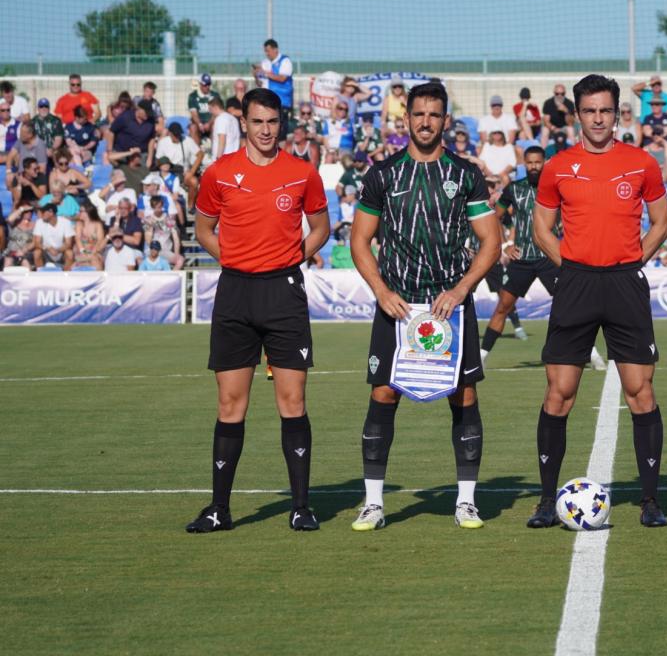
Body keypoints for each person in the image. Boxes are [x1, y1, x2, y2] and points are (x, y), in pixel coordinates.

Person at [348, 81, 501, 532]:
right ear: (406, 118)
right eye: (419, 114)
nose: (426, 122)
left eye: (434, 115)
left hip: (449, 308)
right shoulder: (383, 174)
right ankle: (373, 504)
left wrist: (461, 289)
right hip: (397, 306)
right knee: (383, 393)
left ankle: (466, 502)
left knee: (464, 395)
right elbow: (360, 240)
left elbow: (491, 242)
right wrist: (381, 291)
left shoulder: (466, 174)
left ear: (445, 121)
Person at [527, 73, 667, 529]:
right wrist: (571, 266)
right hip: (577, 285)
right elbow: (541, 228)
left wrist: (632, 262)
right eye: (589, 111)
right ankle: (546, 500)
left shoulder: (641, 163)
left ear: (617, 114)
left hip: (625, 284)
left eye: (605, 111)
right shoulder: (557, 166)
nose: (597, 119)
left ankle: (651, 501)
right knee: (559, 394)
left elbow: (663, 221)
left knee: (641, 392)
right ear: (577, 115)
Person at [185, 88, 330, 534]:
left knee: (292, 401)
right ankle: (219, 509)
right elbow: (204, 228)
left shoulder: (302, 172)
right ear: (243, 123)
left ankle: (301, 507)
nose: (265, 130)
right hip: (235, 294)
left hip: (283, 295)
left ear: (280, 123)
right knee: (230, 404)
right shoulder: (219, 172)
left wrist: (290, 258)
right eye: (257, 121)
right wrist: (232, 259)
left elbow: (321, 228)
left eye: (272, 122)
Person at [481, 146, 606, 369]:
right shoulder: (513, 189)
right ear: (524, 164)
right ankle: (481, 357)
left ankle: (591, 352)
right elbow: (495, 217)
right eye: (529, 162)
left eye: (537, 162)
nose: (533, 166)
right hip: (521, 259)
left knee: (570, 305)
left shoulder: (557, 187)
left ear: (545, 162)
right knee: (503, 307)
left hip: (550, 257)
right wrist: (506, 245)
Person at [254, 40, 295, 130]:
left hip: (282, 102)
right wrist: (256, 75)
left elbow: (282, 78)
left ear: (275, 49)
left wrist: (265, 73)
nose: (267, 53)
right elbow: (260, 84)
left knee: (280, 129)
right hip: (267, 102)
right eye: (265, 51)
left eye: (268, 51)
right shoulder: (265, 63)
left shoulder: (285, 61)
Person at [33, 201, 76, 270]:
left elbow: (68, 243)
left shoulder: (66, 222)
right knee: (37, 252)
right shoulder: (39, 222)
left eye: (43, 212)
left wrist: (58, 250)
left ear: (51, 212)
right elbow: (37, 243)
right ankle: (40, 274)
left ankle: (66, 274)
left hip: (61, 251)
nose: (41, 214)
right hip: (46, 251)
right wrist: (48, 248)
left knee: (69, 253)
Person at [187, 74, 221, 143]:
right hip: (198, 124)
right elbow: (194, 114)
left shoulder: (215, 95)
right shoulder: (193, 96)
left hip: (211, 122)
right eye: (205, 85)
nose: (207, 87)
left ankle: (213, 147)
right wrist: (200, 124)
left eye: (208, 84)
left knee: (216, 126)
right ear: (200, 84)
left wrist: (209, 123)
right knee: (193, 127)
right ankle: (197, 149)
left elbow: (217, 113)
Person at [74, 204, 106, 269]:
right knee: (93, 261)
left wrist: (93, 252)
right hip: (81, 252)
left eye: (81, 211)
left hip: (95, 252)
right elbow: (78, 239)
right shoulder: (79, 224)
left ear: (88, 212)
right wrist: (84, 252)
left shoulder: (97, 224)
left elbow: (100, 240)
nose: (78, 213)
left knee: (95, 261)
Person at [209, 97, 241, 161]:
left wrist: (218, 158)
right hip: (233, 158)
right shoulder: (233, 118)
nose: (210, 112)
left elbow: (222, 139)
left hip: (223, 159)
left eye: (210, 109)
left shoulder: (220, 119)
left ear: (216, 107)